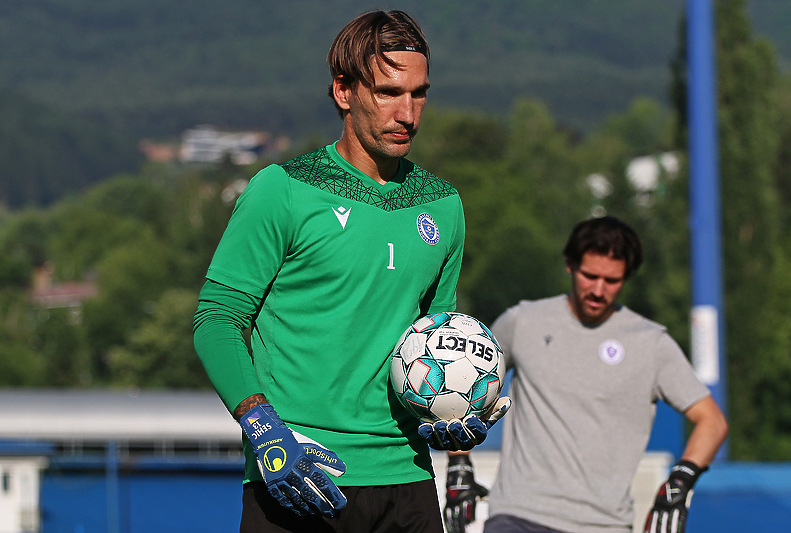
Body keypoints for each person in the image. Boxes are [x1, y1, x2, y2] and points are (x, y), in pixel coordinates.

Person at [193, 10, 506, 533]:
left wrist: (450, 422)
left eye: (419, 93)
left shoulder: (444, 205)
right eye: (388, 92)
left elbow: (437, 340)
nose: (407, 112)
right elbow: (217, 321)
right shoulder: (283, 189)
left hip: (406, 481)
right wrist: (263, 427)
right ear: (344, 91)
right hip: (299, 476)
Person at [443, 216, 728, 533]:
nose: (598, 289)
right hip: (517, 515)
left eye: (612, 280)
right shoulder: (523, 322)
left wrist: (679, 484)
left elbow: (712, 421)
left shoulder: (651, 343)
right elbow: (465, 387)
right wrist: (458, 466)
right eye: (589, 275)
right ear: (570, 265)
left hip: (605, 524)